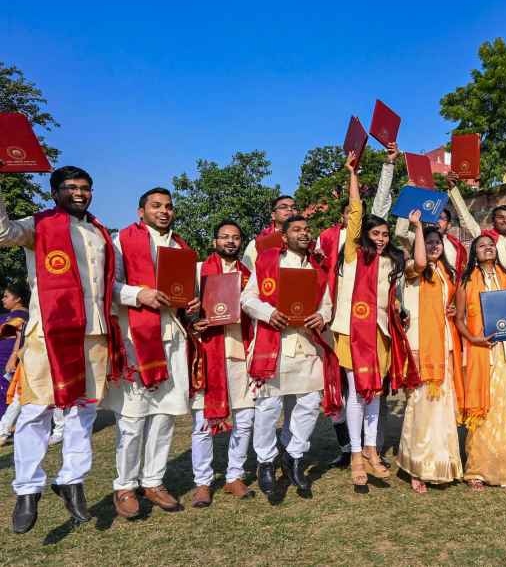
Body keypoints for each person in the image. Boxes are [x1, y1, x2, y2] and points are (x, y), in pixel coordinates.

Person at [0, 166, 126, 533]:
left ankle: (72, 480)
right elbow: (2, 232)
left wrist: (139, 295)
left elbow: (109, 288)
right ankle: (27, 488)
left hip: (94, 332)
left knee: (82, 413)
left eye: (85, 187)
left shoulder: (101, 233)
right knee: (36, 412)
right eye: (70, 187)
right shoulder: (38, 226)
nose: (79, 193)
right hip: (49, 334)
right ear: (54, 192)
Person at [105, 187, 200, 517]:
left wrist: (193, 301)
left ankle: (154, 481)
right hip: (136, 337)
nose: (164, 211)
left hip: (172, 337)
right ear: (140, 211)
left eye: (169, 207)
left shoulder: (181, 247)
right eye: (156, 206)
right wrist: (138, 294)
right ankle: (125, 486)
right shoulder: (122, 241)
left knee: (164, 417)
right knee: (132, 419)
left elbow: (188, 292)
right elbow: (108, 285)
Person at [241, 213, 342, 498]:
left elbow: (327, 304)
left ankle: (294, 456)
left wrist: (321, 318)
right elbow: (246, 299)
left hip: (307, 345)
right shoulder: (267, 261)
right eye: (296, 229)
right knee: (269, 407)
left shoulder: (318, 266)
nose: (304, 233)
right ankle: (265, 462)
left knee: (309, 404)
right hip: (274, 345)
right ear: (283, 236)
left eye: (307, 229)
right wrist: (268, 312)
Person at [329, 152, 414, 490]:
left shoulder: (392, 262)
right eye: (375, 233)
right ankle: (354, 455)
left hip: (379, 331)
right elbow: (356, 210)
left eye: (384, 234)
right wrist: (352, 174)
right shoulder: (352, 253)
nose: (380, 238)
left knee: (375, 393)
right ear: (365, 235)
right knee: (355, 393)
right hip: (350, 330)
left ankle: (372, 451)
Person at [455, 234, 506, 489]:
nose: (487, 248)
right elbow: (459, 319)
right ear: (474, 253)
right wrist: (474, 339)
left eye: (491, 245)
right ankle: (478, 471)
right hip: (482, 353)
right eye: (481, 246)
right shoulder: (466, 282)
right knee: (484, 410)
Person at [188, 220, 255, 507]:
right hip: (206, 353)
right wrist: (193, 320)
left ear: (241, 242)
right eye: (225, 237)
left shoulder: (249, 276)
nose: (230, 242)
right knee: (203, 423)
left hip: (240, 353)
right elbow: (182, 307)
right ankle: (202, 482)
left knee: (245, 419)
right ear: (214, 241)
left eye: (236, 238)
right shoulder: (199, 270)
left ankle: (234, 476)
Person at [396, 225, 464, 493]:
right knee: (421, 408)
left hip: (445, 345)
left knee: (443, 408)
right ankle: (417, 467)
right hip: (422, 346)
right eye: (430, 242)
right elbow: (422, 260)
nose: (435, 246)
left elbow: (455, 305)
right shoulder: (413, 270)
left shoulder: (447, 273)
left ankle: (444, 463)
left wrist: (453, 308)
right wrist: (418, 228)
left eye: (438, 242)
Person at [447, 172, 506, 275]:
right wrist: (453, 189)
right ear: (493, 221)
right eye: (500, 217)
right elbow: (466, 219)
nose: (505, 220)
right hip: (493, 286)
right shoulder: (485, 237)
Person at [0, 282, 31, 446]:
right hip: (6, 360)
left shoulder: (21, 316)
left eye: (6, 296)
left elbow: (17, 337)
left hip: (9, 362)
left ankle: (6, 428)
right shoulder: (9, 315)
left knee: (10, 394)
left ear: (18, 298)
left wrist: (13, 357)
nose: (3, 299)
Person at [241, 195, 299, 272]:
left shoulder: (309, 243)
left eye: (294, 208)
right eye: (283, 207)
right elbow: (246, 273)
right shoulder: (258, 244)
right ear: (273, 215)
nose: (290, 209)